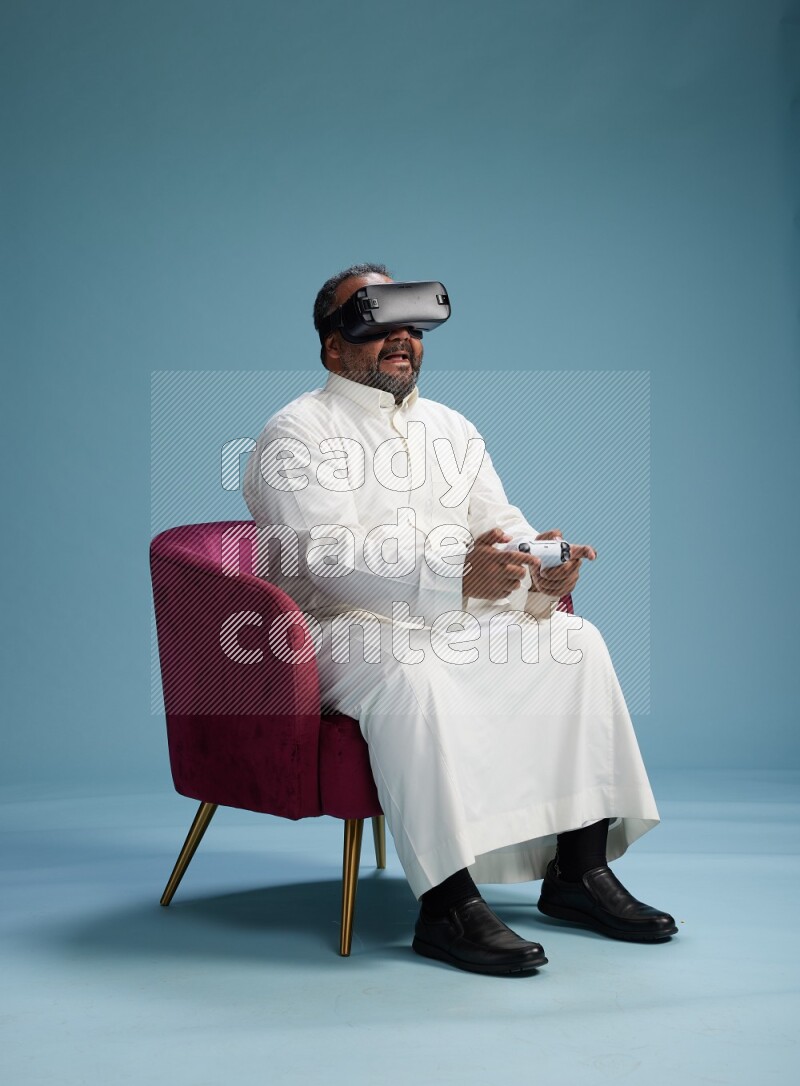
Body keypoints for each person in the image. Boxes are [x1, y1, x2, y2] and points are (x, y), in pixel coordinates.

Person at [243, 263, 676, 977]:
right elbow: (323, 558)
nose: (401, 337)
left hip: (449, 621)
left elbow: (498, 525)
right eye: (376, 321)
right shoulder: (295, 433)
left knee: (573, 640)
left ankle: (577, 872)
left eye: (411, 324)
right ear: (332, 348)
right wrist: (451, 575)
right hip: (338, 631)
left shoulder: (453, 428)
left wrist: (545, 563)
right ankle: (447, 905)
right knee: (411, 675)